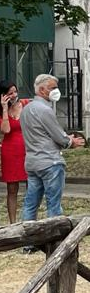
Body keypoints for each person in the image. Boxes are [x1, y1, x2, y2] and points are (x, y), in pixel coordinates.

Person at [20, 74, 85, 227]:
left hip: (32, 162)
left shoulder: (26, 110)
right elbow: (58, 136)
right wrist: (71, 141)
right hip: (50, 162)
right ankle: (53, 237)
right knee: (53, 204)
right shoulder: (45, 110)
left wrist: (64, 138)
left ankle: (27, 241)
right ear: (42, 90)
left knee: (30, 203)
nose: (56, 91)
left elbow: (41, 134)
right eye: (53, 88)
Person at [1, 80, 30, 223]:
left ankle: (29, 218)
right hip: (10, 151)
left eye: (15, 91)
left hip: (27, 149)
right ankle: (13, 223)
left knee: (32, 185)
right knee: (12, 189)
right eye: (9, 93)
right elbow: (6, 130)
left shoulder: (25, 104)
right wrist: (5, 109)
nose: (13, 95)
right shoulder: (1, 112)